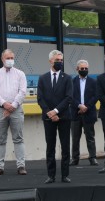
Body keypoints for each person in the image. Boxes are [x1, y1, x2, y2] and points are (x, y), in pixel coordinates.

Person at [0, 49, 28, 176]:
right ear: (2, 59)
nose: (10, 60)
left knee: (18, 138)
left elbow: (22, 91)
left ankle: (21, 166)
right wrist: (5, 104)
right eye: (8, 58)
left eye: (12, 58)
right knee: (0, 139)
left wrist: (13, 105)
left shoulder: (20, 74)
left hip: (16, 110)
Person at [37, 50, 73, 183]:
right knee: (50, 147)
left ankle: (65, 175)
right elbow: (40, 99)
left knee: (65, 147)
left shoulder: (67, 78)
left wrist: (56, 111)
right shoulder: (42, 78)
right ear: (50, 61)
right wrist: (50, 113)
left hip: (64, 117)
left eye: (61, 60)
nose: (60, 62)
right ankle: (51, 175)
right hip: (48, 118)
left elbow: (69, 98)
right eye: (57, 60)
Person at [70, 60, 99, 166]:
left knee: (90, 137)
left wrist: (86, 107)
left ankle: (93, 158)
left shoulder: (93, 82)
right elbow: (70, 97)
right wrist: (79, 105)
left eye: (86, 68)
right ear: (77, 69)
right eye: (82, 69)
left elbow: (96, 96)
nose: (84, 70)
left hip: (89, 113)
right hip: (75, 113)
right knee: (75, 138)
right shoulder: (72, 82)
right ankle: (75, 159)